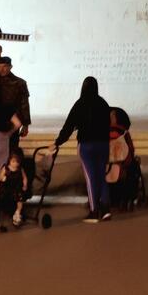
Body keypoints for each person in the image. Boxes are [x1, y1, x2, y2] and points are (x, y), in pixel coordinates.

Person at [54, 76, 112, 223]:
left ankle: (94, 211)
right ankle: (106, 209)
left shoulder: (80, 104)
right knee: (101, 175)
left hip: (86, 145)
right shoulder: (103, 103)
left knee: (90, 177)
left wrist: (58, 142)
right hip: (103, 144)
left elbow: (69, 126)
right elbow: (108, 125)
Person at [0, 56, 31, 141]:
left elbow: (24, 105)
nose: (1, 69)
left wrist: (26, 125)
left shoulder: (20, 83)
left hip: (13, 122)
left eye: (5, 66)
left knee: (12, 146)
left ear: (10, 67)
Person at [0, 146, 30, 230]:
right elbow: (0, 177)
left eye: (17, 162)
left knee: (19, 198)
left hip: (15, 189)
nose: (15, 164)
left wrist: (25, 185)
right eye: (13, 161)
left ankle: (17, 213)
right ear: (9, 160)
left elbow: (24, 178)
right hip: (6, 188)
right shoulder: (6, 168)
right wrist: (3, 178)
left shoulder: (20, 169)